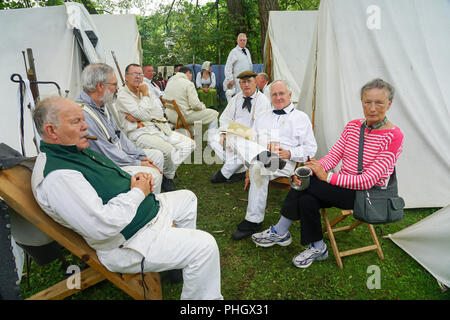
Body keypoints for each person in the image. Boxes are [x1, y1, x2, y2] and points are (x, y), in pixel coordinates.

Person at [31, 96, 223, 300]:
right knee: (205, 246)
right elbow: (101, 225)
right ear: (52, 131)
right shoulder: (58, 177)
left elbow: (105, 180)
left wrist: (133, 180)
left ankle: (179, 262)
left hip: (142, 219)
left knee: (188, 199)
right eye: (76, 121)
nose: (85, 126)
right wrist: (138, 191)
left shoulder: (70, 151)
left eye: (82, 119)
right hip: (128, 243)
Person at [251, 78, 404, 269]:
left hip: (366, 195)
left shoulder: (394, 136)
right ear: (362, 102)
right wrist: (309, 170)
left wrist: (326, 176)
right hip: (341, 186)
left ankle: (281, 230)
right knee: (307, 196)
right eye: (367, 102)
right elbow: (333, 157)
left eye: (379, 102)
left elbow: (368, 180)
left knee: (309, 184)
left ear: (389, 104)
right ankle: (318, 246)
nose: (372, 108)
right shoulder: (353, 126)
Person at [230, 80, 317, 240]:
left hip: (287, 162)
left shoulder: (301, 118)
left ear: (290, 95)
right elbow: (252, 143)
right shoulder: (263, 118)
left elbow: (311, 148)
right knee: (256, 165)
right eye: (274, 94)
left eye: (281, 93)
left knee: (258, 167)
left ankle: (253, 221)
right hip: (263, 157)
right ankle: (254, 219)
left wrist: (290, 153)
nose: (278, 98)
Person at [77, 63, 164, 194]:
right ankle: (148, 207)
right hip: (106, 166)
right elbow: (106, 152)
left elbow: (119, 136)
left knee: (156, 156)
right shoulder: (83, 114)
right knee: (152, 174)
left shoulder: (102, 104)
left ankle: (151, 198)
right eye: (114, 84)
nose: (117, 88)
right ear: (100, 86)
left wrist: (140, 156)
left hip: (119, 155)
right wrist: (137, 162)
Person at [116, 64, 196, 192]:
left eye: (140, 74)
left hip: (157, 127)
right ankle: (169, 177)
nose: (138, 77)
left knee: (189, 144)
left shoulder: (144, 89)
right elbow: (144, 114)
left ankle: (166, 173)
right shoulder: (123, 95)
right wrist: (146, 96)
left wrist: (140, 115)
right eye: (135, 74)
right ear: (126, 76)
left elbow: (158, 111)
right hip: (139, 132)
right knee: (168, 150)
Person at [208, 70, 271, 183]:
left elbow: (260, 128)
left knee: (243, 148)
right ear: (240, 84)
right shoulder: (236, 98)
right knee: (212, 139)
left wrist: (237, 136)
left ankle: (225, 172)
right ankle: (239, 171)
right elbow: (225, 118)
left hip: (252, 139)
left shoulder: (262, 100)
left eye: (249, 81)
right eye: (243, 82)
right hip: (233, 134)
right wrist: (224, 133)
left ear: (255, 82)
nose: (246, 85)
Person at [164, 66, 219, 132]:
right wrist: (202, 106)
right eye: (191, 75)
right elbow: (195, 106)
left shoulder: (170, 83)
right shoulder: (188, 84)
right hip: (182, 117)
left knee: (197, 114)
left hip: (170, 116)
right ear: (187, 73)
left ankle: (196, 138)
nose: (191, 77)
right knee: (214, 114)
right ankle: (212, 141)